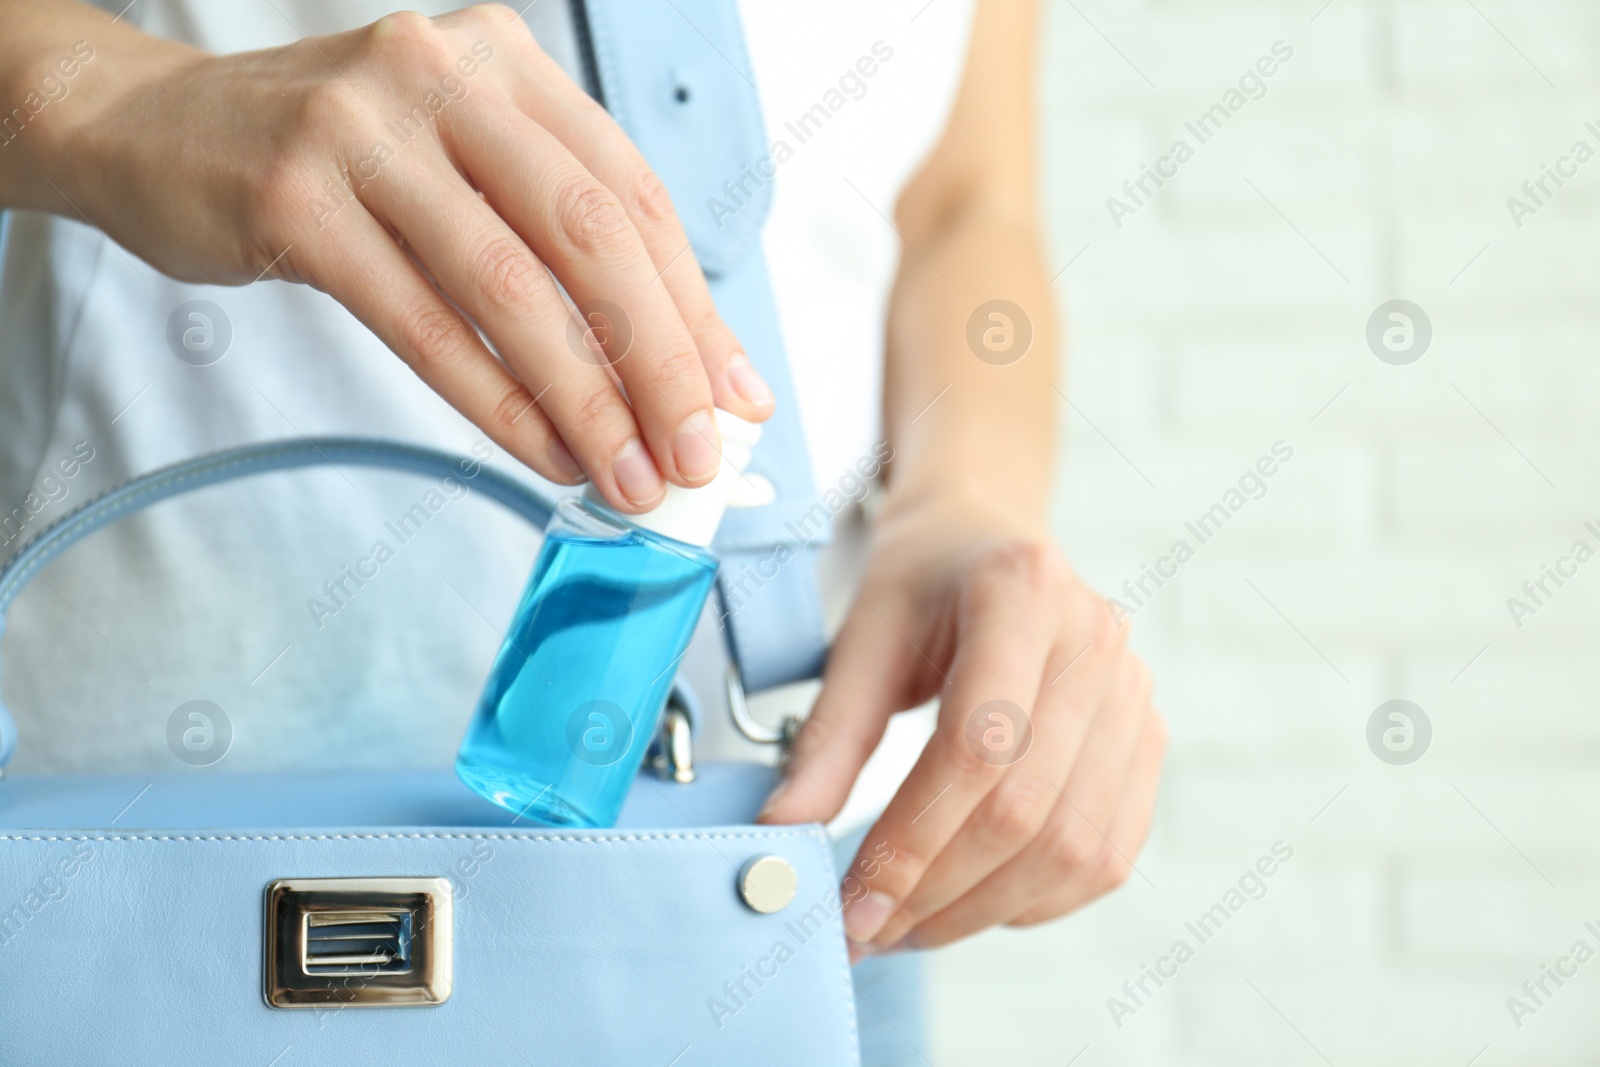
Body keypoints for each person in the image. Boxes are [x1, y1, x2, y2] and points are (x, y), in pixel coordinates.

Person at [0, 0, 1163, 1057]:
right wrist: (115, 96)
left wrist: (963, 501)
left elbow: (965, 201)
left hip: (748, 874)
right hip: (108, 863)